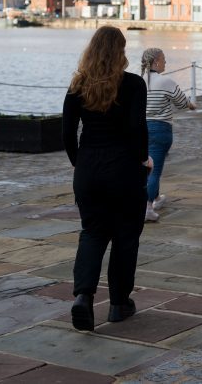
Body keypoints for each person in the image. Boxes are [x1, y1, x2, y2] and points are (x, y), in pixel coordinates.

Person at [63, 26, 151, 331]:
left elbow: (67, 133)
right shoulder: (133, 84)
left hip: (89, 170)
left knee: (93, 232)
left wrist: (80, 164)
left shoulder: (78, 85)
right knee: (126, 236)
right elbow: (137, 128)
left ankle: (83, 297)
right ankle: (118, 303)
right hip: (124, 169)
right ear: (120, 52)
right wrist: (144, 159)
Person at [140, 48, 196, 222]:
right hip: (160, 129)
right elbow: (181, 102)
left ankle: (156, 198)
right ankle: (147, 208)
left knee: (145, 166)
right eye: (163, 59)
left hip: (140, 129)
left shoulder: (137, 81)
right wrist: (191, 105)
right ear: (156, 62)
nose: (165, 62)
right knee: (154, 169)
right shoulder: (166, 82)